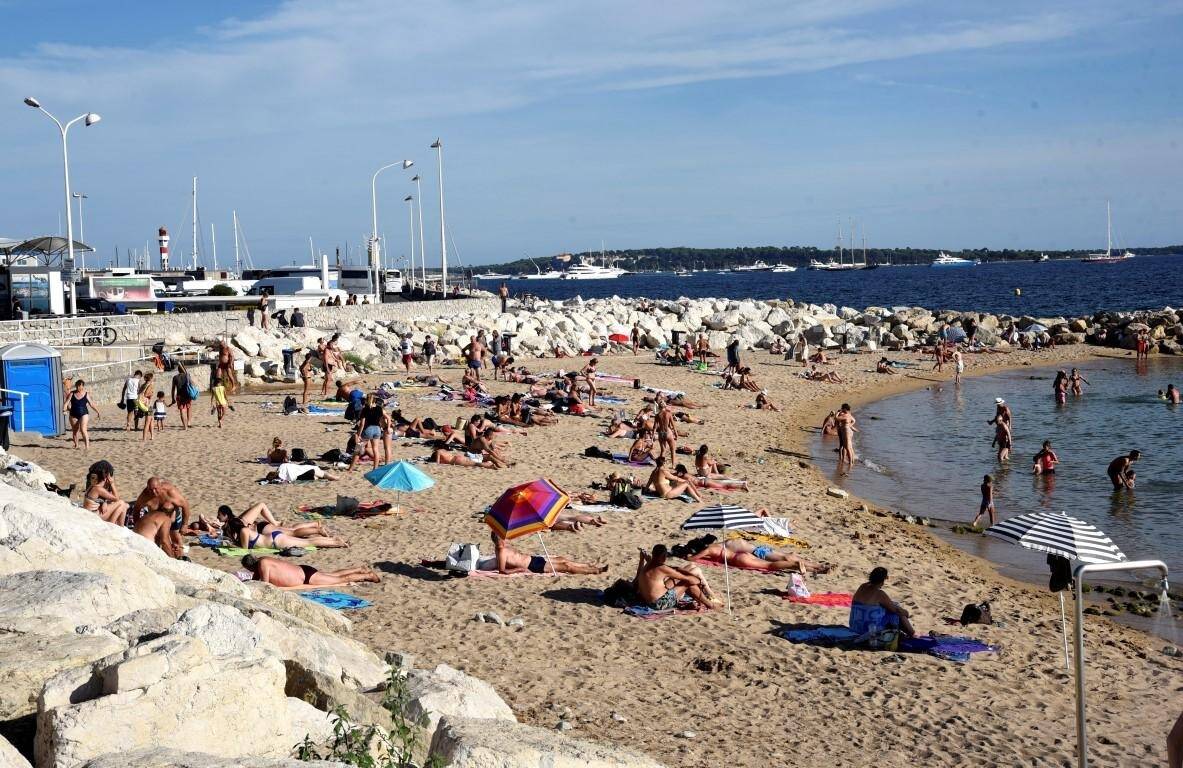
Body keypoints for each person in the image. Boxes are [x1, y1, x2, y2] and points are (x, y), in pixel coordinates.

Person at [673, 535, 829, 574]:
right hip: (742, 555)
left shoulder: (709, 550)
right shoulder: (715, 546)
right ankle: (812, 567)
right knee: (770, 563)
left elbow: (694, 558)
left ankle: (796, 565)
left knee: (769, 566)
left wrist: (688, 557)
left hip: (739, 559)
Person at [221, 502, 347, 550]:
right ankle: (333, 540)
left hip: (275, 540)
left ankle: (335, 542)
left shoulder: (243, 531)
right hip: (273, 537)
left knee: (308, 542)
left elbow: (244, 549)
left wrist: (231, 544)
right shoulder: (243, 526)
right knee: (303, 538)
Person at [483, 530, 606, 575]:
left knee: (562, 559)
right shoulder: (501, 550)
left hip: (533, 559)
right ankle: (595, 571)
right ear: (499, 539)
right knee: (566, 567)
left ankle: (588, 565)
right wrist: (519, 570)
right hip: (533, 566)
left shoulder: (503, 546)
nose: (506, 537)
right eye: (503, 537)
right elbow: (502, 570)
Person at [634, 544, 718, 610]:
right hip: (659, 603)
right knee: (687, 583)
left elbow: (638, 577)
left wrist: (642, 560)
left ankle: (704, 598)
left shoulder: (647, 565)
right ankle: (709, 604)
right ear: (664, 557)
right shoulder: (662, 568)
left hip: (648, 601)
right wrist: (698, 581)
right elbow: (687, 579)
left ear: (653, 554)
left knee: (683, 575)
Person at [131, 477, 192, 556]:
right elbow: (136, 509)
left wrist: (185, 524)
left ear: (160, 486)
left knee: (176, 540)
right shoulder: (145, 495)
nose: (153, 492)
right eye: (151, 489)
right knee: (157, 542)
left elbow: (185, 505)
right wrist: (138, 524)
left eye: (156, 489)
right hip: (157, 521)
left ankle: (180, 558)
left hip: (172, 518)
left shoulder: (170, 492)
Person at [242, 554, 380, 589]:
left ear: (250, 567)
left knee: (340, 580)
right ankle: (359, 569)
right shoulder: (263, 560)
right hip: (303, 571)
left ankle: (368, 575)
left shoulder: (263, 564)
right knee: (333, 574)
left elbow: (265, 585)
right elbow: (255, 579)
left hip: (306, 577)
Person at [850, 566, 915, 637]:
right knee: (896, 612)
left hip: (855, 628)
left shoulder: (862, 587)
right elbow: (896, 610)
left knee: (888, 608)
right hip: (869, 631)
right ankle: (911, 632)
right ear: (882, 580)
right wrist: (906, 613)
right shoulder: (880, 594)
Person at [82, 460, 128, 525]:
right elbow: (117, 498)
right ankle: (114, 526)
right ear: (107, 477)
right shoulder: (98, 489)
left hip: (90, 514)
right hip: (94, 517)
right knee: (122, 503)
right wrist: (112, 483)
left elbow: (104, 497)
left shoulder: (93, 486)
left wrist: (105, 502)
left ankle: (117, 525)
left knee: (122, 505)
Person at [349, 394, 388, 471]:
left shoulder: (365, 409)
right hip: (377, 429)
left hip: (368, 429)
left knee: (358, 449)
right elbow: (382, 420)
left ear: (366, 400)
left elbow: (362, 424)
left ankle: (350, 469)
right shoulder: (379, 409)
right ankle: (375, 468)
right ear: (375, 400)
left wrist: (358, 434)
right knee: (375, 449)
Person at [63, 379, 98, 449]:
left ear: (83, 386)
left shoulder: (86, 394)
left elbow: (91, 404)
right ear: (76, 386)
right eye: (77, 386)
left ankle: (87, 447)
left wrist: (97, 411)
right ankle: (76, 445)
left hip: (84, 414)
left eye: (80, 386)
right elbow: (66, 403)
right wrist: (64, 410)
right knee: (75, 431)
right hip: (73, 414)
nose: (79, 387)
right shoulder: (72, 394)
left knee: (83, 430)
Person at [169, 363, 195, 429]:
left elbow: (173, 389)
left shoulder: (175, 377)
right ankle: (188, 422)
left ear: (178, 370)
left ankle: (185, 426)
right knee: (189, 408)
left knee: (182, 410)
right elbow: (193, 384)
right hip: (187, 394)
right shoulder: (187, 375)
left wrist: (172, 398)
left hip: (179, 396)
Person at [988, 397, 1012, 462]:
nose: (998, 405)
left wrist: (1010, 426)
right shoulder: (998, 408)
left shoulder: (1006, 408)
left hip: (1005, 424)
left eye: (999, 403)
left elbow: (1010, 417)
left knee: (1001, 455)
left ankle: (1004, 467)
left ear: (1002, 403)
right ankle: (1006, 467)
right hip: (1000, 424)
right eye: (997, 404)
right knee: (1004, 456)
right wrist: (992, 422)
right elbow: (997, 417)